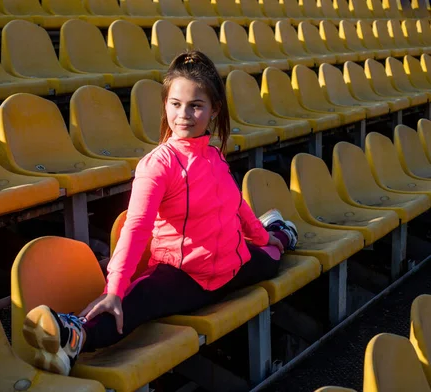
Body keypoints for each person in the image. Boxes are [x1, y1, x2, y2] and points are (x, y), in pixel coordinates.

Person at [22, 50, 298, 376]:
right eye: (175, 104)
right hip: (185, 273)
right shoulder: (158, 165)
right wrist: (114, 288)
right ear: (165, 104)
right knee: (138, 301)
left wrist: (267, 237)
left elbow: (237, 206)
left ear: (213, 110)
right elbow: (136, 228)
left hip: (232, 264)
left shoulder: (215, 156)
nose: (184, 114)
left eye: (196, 105)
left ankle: (281, 230)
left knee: (274, 257)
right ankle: (74, 334)